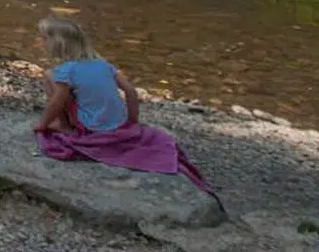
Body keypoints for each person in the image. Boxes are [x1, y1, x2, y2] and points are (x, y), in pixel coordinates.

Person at [31, 15, 216, 193]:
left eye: (43, 38)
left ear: (56, 43)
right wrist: (132, 121)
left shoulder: (65, 70)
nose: (40, 42)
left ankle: (64, 125)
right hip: (119, 123)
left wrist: (43, 124)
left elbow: (58, 101)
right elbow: (130, 91)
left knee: (50, 77)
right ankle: (85, 123)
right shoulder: (104, 65)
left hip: (91, 126)